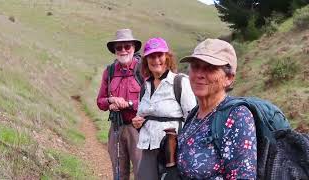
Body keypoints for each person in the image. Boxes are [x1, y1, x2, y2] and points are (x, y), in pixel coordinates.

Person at [177, 38, 257, 179]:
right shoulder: (195, 114)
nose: (199, 74)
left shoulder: (237, 117)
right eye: (195, 66)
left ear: (229, 78)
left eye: (210, 68)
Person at [132, 37, 197, 180]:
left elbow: (193, 118)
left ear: (167, 57)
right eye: (151, 56)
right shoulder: (145, 87)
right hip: (148, 148)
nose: (156, 60)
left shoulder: (180, 82)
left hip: (172, 151)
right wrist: (137, 124)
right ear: (146, 60)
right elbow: (141, 116)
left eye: (159, 55)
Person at [96, 29, 142, 180]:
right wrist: (111, 101)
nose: (123, 50)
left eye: (127, 46)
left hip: (139, 129)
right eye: (119, 48)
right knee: (118, 173)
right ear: (114, 50)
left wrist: (128, 104)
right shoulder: (108, 71)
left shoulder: (143, 70)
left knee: (141, 172)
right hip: (115, 128)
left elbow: (152, 102)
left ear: (133, 48)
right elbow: (100, 102)